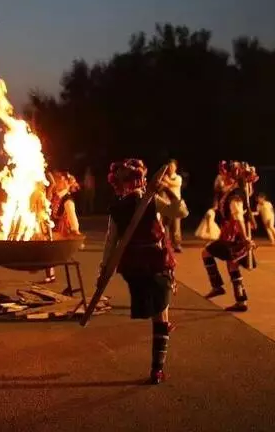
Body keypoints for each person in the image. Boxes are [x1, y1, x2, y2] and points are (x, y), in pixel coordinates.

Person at [100, 158, 176, 385]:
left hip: (134, 268)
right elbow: (181, 211)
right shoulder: (148, 201)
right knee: (161, 315)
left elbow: (111, 242)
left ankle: (157, 365)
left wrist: (104, 269)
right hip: (153, 263)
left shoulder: (124, 206)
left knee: (159, 312)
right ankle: (157, 369)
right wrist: (168, 191)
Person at [201, 161, 258, 312]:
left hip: (234, 235)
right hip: (232, 234)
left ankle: (218, 286)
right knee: (232, 264)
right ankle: (240, 300)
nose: (219, 179)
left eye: (222, 176)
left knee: (207, 252)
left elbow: (238, 217)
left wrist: (245, 239)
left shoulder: (235, 196)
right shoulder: (234, 191)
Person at [44, 171, 81, 283]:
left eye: (59, 180)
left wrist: (75, 230)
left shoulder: (67, 200)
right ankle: (50, 273)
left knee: (50, 250)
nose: (57, 182)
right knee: (47, 248)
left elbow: (72, 216)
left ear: (65, 183)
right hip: (54, 227)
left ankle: (50, 272)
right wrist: (51, 185)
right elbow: (47, 200)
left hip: (63, 229)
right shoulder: (57, 196)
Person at [159, 159, 187, 253]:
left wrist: (165, 181)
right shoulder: (164, 177)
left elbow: (173, 184)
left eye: (172, 166)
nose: (170, 168)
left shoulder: (178, 178)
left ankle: (177, 244)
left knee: (176, 225)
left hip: (176, 204)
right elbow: (160, 187)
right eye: (169, 166)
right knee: (166, 225)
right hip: (166, 203)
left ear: (175, 168)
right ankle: (166, 244)